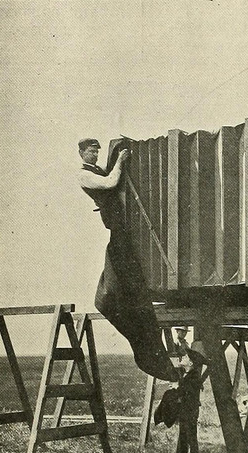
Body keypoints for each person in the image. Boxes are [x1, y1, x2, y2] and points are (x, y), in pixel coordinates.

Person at [78, 138, 177, 382]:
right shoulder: (84, 175)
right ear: (81, 153)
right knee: (122, 275)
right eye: (91, 151)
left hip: (121, 225)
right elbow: (111, 182)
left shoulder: (96, 169)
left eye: (97, 151)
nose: (95, 154)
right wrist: (121, 160)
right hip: (116, 226)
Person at [172, 342, 206, 453]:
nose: (183, 358)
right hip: (186, 411)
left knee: (191, 439)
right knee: (183, 438)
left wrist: (176, 390)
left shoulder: (193, 377)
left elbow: (186, 393)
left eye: (185, 357)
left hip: (190, 411)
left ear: (190, 363)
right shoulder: (188, 375)